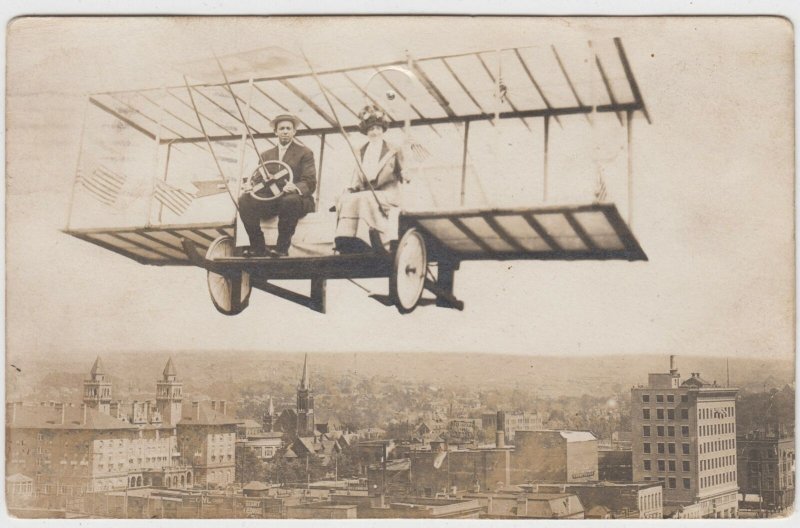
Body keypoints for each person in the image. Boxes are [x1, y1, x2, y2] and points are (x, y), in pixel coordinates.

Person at [238, 114, 316, 257]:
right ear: (276, 132)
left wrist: (295, 187)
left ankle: (281, 249)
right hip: (273, 200)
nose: (285, 131)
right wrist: (252, 186)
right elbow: (259, 179)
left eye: (288, 128)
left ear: (294, 132)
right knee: (244, 200)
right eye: (281, 128)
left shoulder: (305, 153)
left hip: (297, 200)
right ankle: (257, 246)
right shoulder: (266, 155)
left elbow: (310, 182)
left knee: (289, 200)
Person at [334, 105, 404, 253]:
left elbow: (404, 171)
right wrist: (351, 189)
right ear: (366, 131)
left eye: (378, 128)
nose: (375, 132)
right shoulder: (360, 151)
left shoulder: (393, 149)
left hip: (388, 193)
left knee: (365, 198)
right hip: (367, 192)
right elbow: (357, 179)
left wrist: (405, 172)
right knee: (346, 198)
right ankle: (345, 238)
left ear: (383, 130)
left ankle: (364, 238)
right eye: (371, 129)